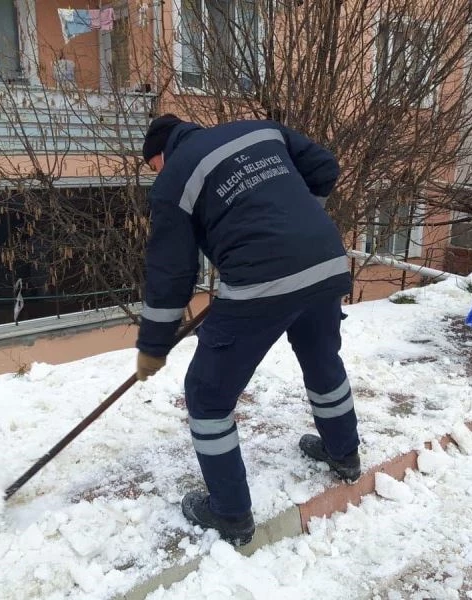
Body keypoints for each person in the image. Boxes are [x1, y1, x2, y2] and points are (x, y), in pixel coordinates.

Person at [134, 114, 361, 546]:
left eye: (153, 168)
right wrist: (297, 230)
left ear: (161, 154)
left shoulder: (173, 179)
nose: (156, 176)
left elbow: (171, 272)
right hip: (326, 262)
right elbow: (325, 167)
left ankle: (231, 513)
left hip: (261, 282)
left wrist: (154, 345)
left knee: (207, 395)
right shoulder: (259, 130)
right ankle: (344, 454)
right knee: (321, 358)